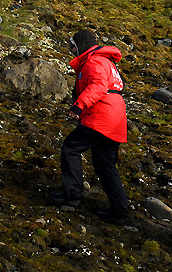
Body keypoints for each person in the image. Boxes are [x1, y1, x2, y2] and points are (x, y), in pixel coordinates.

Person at [48, 30, 132, 225]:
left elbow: (98, 86)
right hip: (116, 117)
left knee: (71, 148)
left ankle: (72, 196)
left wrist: (79, 105)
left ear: (81, 45)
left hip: (102, 116)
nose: (71, 50)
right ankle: (120, 211)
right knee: (105, 164)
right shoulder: (106, 61)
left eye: (73, 46)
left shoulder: (93, 61)